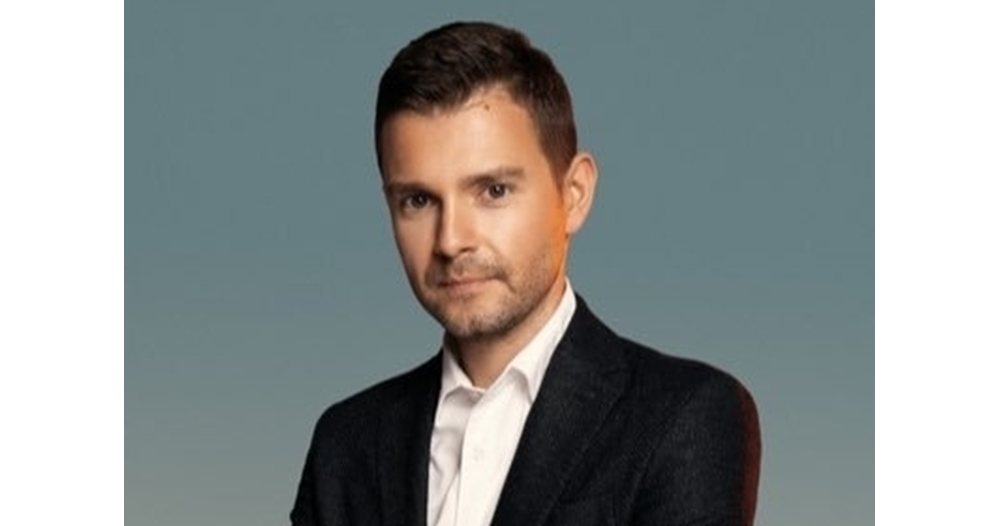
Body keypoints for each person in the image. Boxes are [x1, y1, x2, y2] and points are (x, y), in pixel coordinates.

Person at [291, 21, 761, 526]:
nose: (451, 240)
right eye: (419, 200)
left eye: (493, 191)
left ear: (574, 194)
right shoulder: (346, 443)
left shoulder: (681, 416)